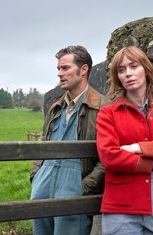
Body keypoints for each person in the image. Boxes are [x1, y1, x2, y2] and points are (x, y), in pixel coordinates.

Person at [96, 46, 153, 235]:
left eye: (133, 66)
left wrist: (136, 147)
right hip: (121, 207)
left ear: (145, 68)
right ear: (117, 77)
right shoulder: (108, 114)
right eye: (121, 70)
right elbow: (109, 156)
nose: (128, 73)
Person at [30, 45, 108, 235]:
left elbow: (109, 157)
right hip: (42, 187)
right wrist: (35, 176)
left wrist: (84, 187)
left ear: (83, 70)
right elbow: (43, 144)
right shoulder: (55, 107)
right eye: (58, 68)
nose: (59, 73)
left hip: (75, 186)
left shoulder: (104, 108)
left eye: (65, 68)